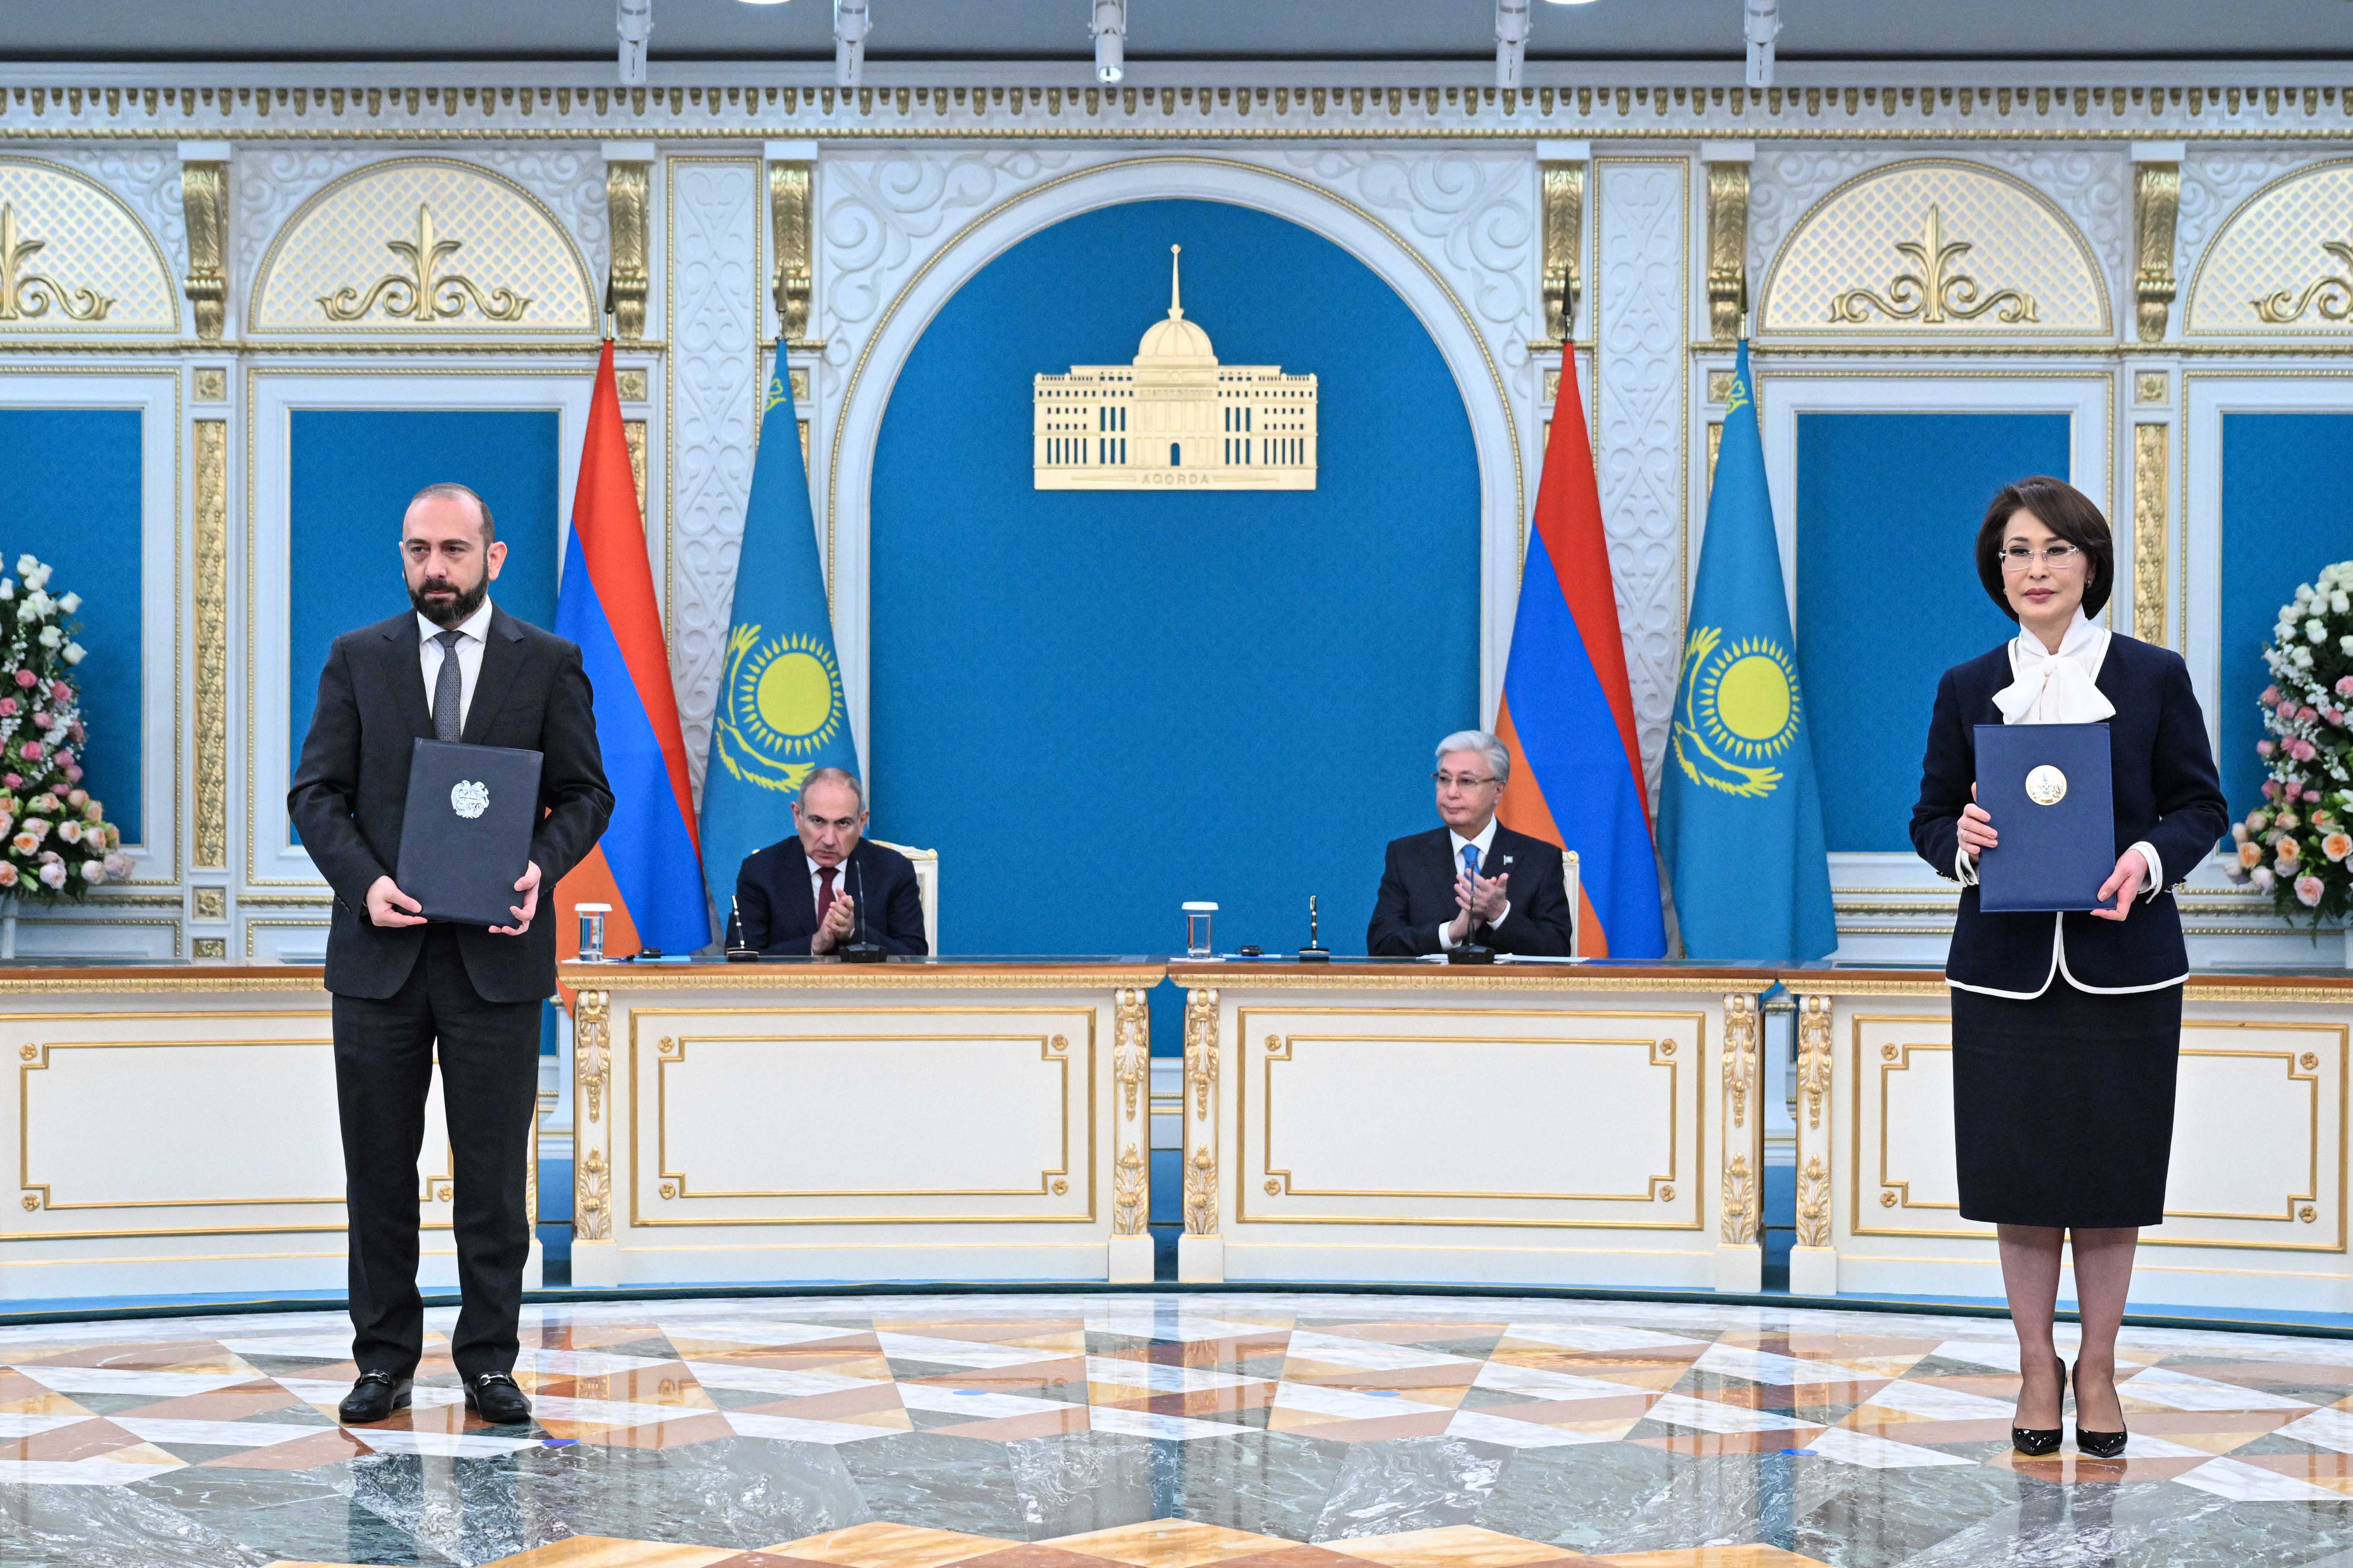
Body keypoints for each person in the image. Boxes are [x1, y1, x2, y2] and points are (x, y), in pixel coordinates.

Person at [1909, 475, 2225, 1461]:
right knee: (2020, 1181)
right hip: (2002, 971)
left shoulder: (2152, 675)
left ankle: (2097, 1364)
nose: (2034, 568)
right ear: (1995, 570)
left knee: (2107, 1179)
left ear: (2090, 564)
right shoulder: (1966, 685)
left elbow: (2200, 808)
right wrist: (1960, 842)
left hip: (2123, 968)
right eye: (2016, 551)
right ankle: (2033, 1364)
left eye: (2054, 549)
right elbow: (1928, 820)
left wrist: (2148, 859)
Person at [289, 482, 613, 1428]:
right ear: (403, 555)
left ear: (492, 556)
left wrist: (538, 866)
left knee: (493, 1180)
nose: (435, 568)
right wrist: (364, 884)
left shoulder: (548, 663)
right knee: (379, 1174)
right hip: (379, 960)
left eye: (453, 550)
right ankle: (384, 1360)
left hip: (496, 958)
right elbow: (316, 794)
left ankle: (489, 1362)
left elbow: (587, 795)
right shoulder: (357, 657)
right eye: (418, 550)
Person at [1368, 730, 1577, 957]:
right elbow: (1382, 945)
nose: (1451, 792)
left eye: (1466, 781)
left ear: (1498, 791)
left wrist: (1500, 913)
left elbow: (1558, 950)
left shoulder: (1540, 859)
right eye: (1444, 779)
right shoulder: (1406, 855)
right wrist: (1452, 932)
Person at [733, 767, 929, 955]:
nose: (829, 840)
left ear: (861, 823)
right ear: (797, 816)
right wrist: (815, 944)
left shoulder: (894, 871)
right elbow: (742, 957)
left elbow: (915, 956)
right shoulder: (761, 871)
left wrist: (854, 932)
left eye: (843, 823)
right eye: (818, 821)